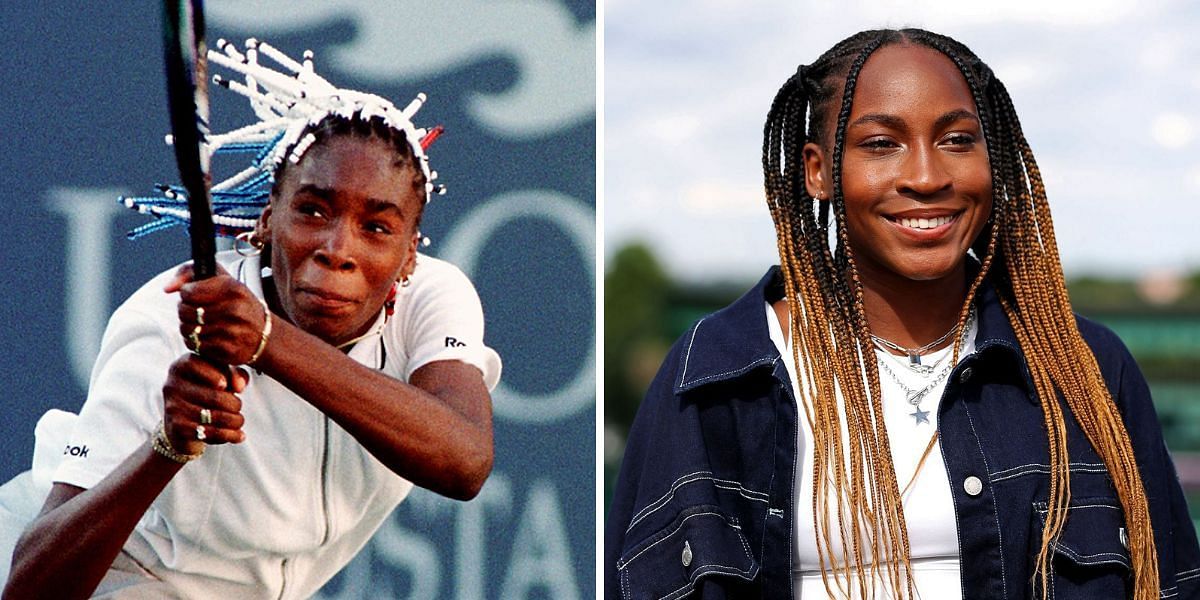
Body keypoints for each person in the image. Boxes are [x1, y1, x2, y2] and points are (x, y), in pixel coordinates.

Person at [605, 28, 1200, 600]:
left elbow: (1170, 581)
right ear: (818, 171)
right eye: (881, 144)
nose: (925, 176)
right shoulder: (716, 377)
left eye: (958, 140)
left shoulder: (1085, 372)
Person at [2, 39, 500, 599]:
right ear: (265, 223)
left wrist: (267, 340)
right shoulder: (169, 321)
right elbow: (28, 589)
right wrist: (167, 446)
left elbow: (464, 460)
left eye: (377, 228)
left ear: (410, 254)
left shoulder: (433, 296)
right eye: (312, 210)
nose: (338, 248)